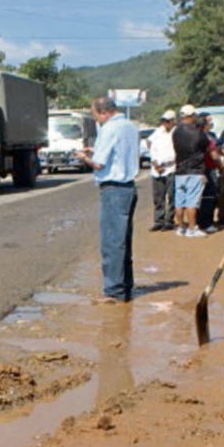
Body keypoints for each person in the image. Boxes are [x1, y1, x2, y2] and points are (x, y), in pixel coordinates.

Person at [78, 96, 140, 303]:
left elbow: (99, 164)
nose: (96, 120)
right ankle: (125, 286)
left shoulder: (108, 129)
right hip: (129, 187)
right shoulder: (129, 126)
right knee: (123, 241)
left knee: (112, 242)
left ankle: (113, 291)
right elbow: (117, 153)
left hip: (114, 189)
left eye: (95, 115)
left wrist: (85, 158)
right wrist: (95, 151)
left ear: (104, 113)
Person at [173, 104, 209, 238]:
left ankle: (181, 227)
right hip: (194, 170)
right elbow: (206, 147)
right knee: (191, 201)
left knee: (179, 201)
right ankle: (192, 228)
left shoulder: (176, 132)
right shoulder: (198, 133)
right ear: (191, 116)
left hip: (180, 170)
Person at [148, 110, 177, 231]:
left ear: (173, 121)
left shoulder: (176, 132)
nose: (165, 123)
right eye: (164, 121)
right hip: (157, 168)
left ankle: (169, 220)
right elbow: (150, 144)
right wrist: (155, 163)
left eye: (168, 121)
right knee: (158, 197)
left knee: (171, 196)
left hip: (171, 167)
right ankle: (159, 220)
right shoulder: (158, 132)